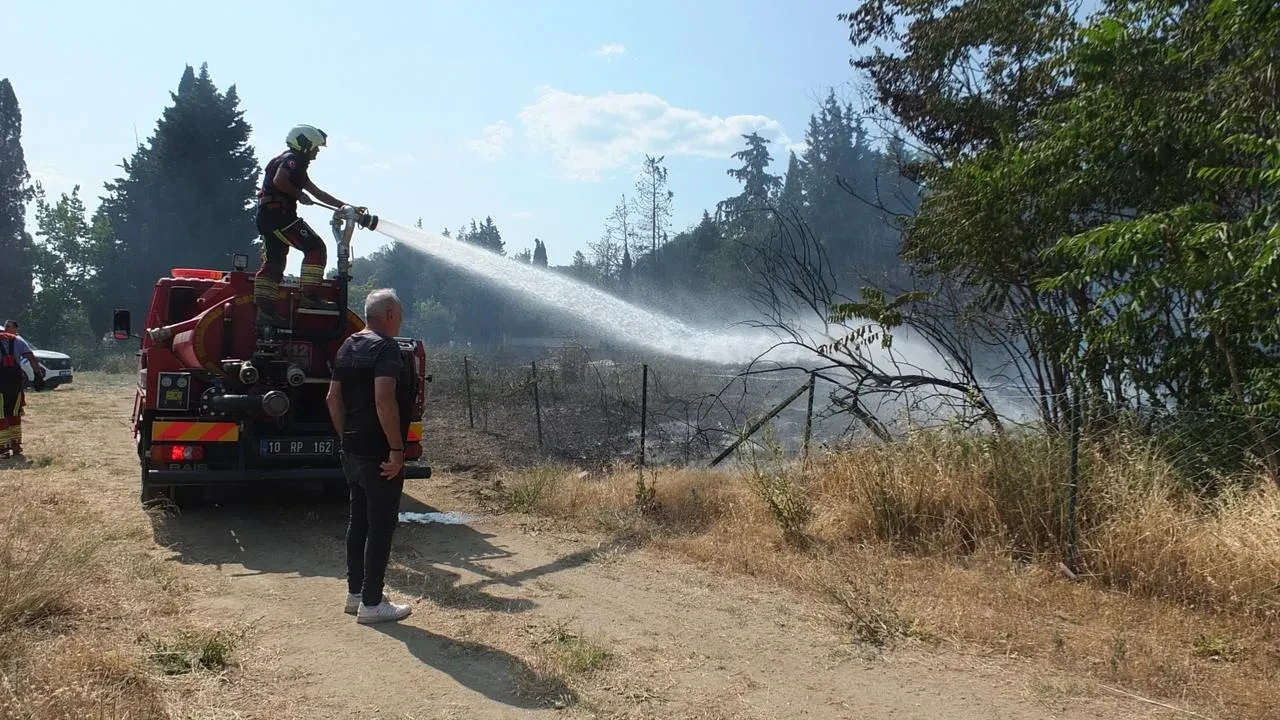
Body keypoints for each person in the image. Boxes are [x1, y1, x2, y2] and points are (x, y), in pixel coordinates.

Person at [325, 289, 414, 624]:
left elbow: (332, 398)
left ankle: (356, 594)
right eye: (400, 313)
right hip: (379, 453)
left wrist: (346, 437)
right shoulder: (386, 347)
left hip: (353, 450)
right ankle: (373, 604)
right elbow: (383, 400)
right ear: (390, 315)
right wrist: (395, 449)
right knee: (381, 526)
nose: (401, 319)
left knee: (358, 521)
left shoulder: (348, 345)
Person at [253, 124, 356, 328]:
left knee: (274, 263)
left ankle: (265, 312)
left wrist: (344, 206)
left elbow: (318, 193)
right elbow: (280, 180)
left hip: (268, 217)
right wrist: (298, 195)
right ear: (305, 143)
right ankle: (309, 296)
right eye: (315, 147)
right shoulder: (294, 160)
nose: (317, 152)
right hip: (279, 216)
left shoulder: (289, 161)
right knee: (315, 247)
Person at [1, 320, 44, 458]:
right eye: (5, 326)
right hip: (15, 383)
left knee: (1, 413)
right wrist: (38, 375)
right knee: (14, 412)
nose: (6, 328)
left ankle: (3, 448)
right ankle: (15, 444)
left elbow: (31, 358)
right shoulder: (19, 341)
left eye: (9, 326)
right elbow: (31, 357)